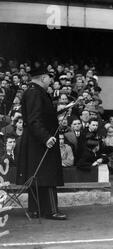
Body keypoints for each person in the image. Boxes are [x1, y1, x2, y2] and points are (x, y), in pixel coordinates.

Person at [16, 66, 66, 220]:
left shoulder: (33, 92)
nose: (51, 80)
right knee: (47, 174)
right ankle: (50, 210)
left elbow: (39, 116)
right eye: (49, 78)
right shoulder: (35, 93)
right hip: (40, 141)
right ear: (43, 78)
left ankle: (35, 209)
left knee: (37, 175)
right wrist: (46, 137)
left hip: (35, 140)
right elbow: (34, 119)